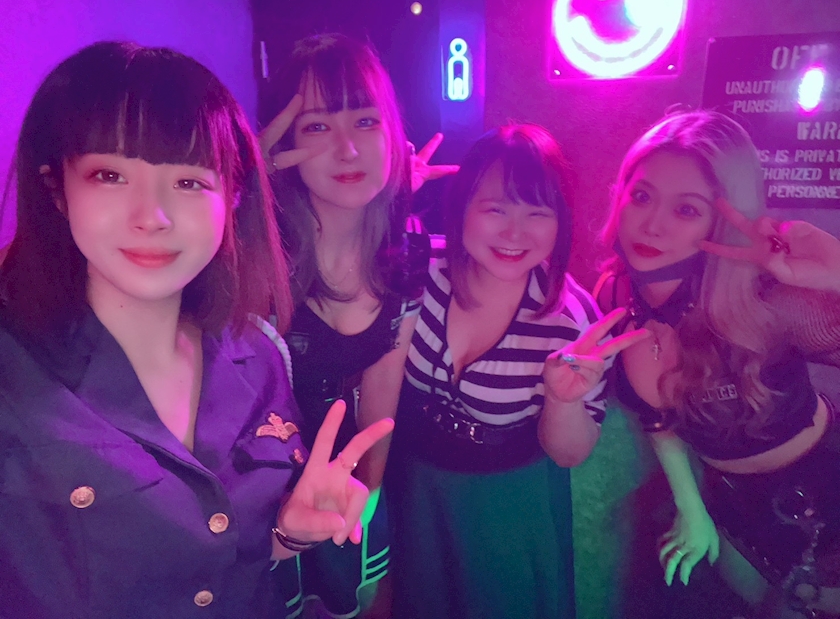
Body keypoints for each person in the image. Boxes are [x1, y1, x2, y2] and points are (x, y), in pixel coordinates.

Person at [0, 41, 393, 619]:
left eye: (188, 182)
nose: (152, 216)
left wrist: (286, 534)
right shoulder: (15, 373)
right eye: (110, 175)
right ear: (57, 189)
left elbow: (227, 560)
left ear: (232, 197)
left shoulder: (257, 356)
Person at [387, 123, 648, 619]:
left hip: (507, 506)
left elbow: (569, 454)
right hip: (413, 484)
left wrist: (563, 400)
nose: (514, 233)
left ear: (560, 223)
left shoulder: (572, 320)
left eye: (537, 213)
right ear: (463, 208)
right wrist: (389, 201)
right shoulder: (421, 267)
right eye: (495, 209)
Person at [595, 109, 840, 617]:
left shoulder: (768, 297)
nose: (653, 223)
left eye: (686, 209)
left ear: (720, 222)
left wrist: (838, 273)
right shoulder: (614, 294)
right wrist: (691, 507)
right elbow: (659, 417)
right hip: (729, 504)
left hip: (828, 490)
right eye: (641, 196)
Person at [258, 33, 456, 619]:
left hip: (349, 473)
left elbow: (383, 384)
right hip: (260, 487)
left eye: (366, 121)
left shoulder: (406, 246)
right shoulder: (256, 253)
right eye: (317, 126)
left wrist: (368, 491)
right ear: (283, 142)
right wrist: (243, 196)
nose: (347, 149)